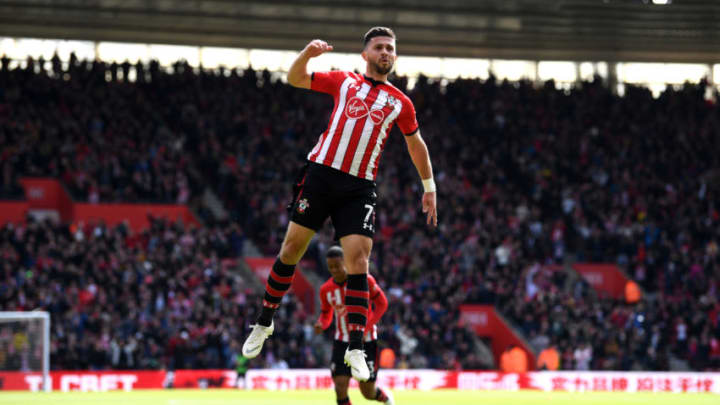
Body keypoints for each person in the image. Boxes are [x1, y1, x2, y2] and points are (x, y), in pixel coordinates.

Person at [242, 26, 438, 382]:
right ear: (365, 54)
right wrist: (307, 53)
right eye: (379, 47)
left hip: (359, 187)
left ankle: (357, 347)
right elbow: (295, 78)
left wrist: (429, 187)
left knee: (359, 261)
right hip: (320, 176)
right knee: (291, 250)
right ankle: (264, 322)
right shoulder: (343, 81)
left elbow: (416, 144)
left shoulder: (400, 103)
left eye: (390, 48)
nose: (386, 53)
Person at [314, 246, 394, 405]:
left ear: (346, 262)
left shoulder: (365, 281)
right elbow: (326, 314)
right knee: (340, 386)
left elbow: (382, 304)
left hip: (367, 341)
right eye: (331, 267)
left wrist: (367, 326)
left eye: (338, 265)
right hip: (342, 341)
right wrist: (321, 324)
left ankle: (386, 399)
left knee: (368, 393)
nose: (334, 270)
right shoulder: (325, 290)